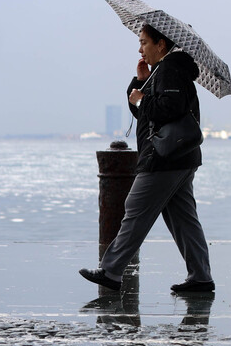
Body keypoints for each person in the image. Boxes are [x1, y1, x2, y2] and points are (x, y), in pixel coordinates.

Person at [80, 24, 214, 293]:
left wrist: (142, 99)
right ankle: (200, 277)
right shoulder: (165, 71)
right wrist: (141, 82)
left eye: (144, 42)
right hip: (180, 158)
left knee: (136, 208)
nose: (140, 48)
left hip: (163, 158)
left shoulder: (171, 69)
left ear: (161, 44)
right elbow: (147, 114)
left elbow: (168, 108)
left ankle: (110, 271)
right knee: (183, 218)